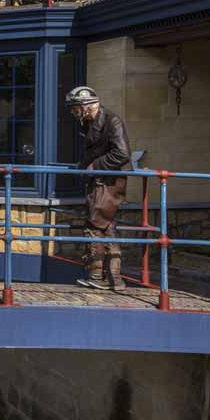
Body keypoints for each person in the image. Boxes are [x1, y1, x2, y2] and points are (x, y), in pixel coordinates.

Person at [65, 86, 132, 292]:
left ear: (87, 106)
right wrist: (83, 166)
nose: (73, 111)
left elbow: (122, 153)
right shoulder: (90, 122)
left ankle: (108, 278)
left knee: (98, 225)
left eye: (75, 107)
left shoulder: (112, 121)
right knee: (104, 225)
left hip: (109, 183)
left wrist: (94, 166)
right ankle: (107, 278)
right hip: (99, 182)